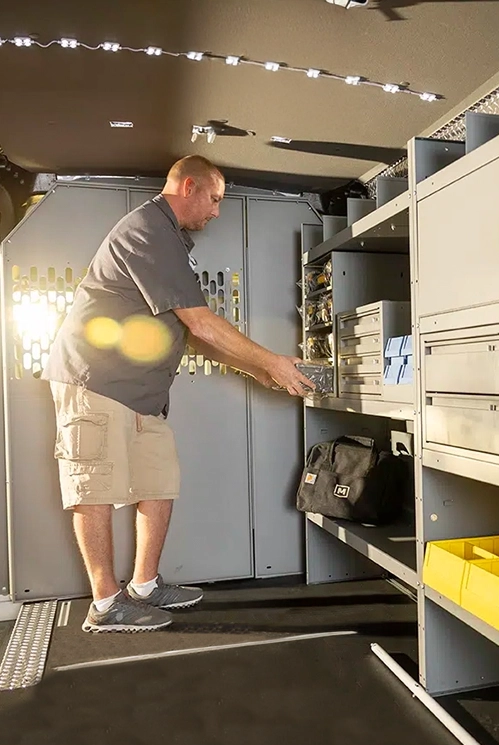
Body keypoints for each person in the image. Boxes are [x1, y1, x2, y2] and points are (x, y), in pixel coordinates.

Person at [42, 155, 315, 634]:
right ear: (188, 186)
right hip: (96, 382)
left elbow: (189, 333)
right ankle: (105, 604)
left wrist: (255, 370)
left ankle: (143, 586)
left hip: (143, 395)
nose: (216, 212)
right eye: (214, 199)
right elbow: (201, 321)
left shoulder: (171, 240)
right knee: (94, 486)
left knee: (160, 483)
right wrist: (271, 361)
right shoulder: (147, 228)